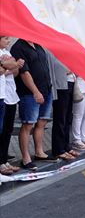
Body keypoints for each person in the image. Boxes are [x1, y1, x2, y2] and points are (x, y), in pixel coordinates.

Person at [11, 39, 55, 171]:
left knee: (42, 122)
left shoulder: (38, 44)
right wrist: (35, 92)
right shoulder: (18, 47)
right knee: (27, 124)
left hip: (46, 89)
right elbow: (24, 73)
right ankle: (25, 158)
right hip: (29, 93)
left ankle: (39, 152)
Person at [0, 37, 24, 174]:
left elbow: (15, 71)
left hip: (10, 95)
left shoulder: (6, 53)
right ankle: (1, 163)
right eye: (5, 38)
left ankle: (4, 160)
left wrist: (9, 64)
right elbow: (4, 70)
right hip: (3, 96)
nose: (8, 41)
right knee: (1, 130)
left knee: (8, 129)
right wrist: (10, 65)